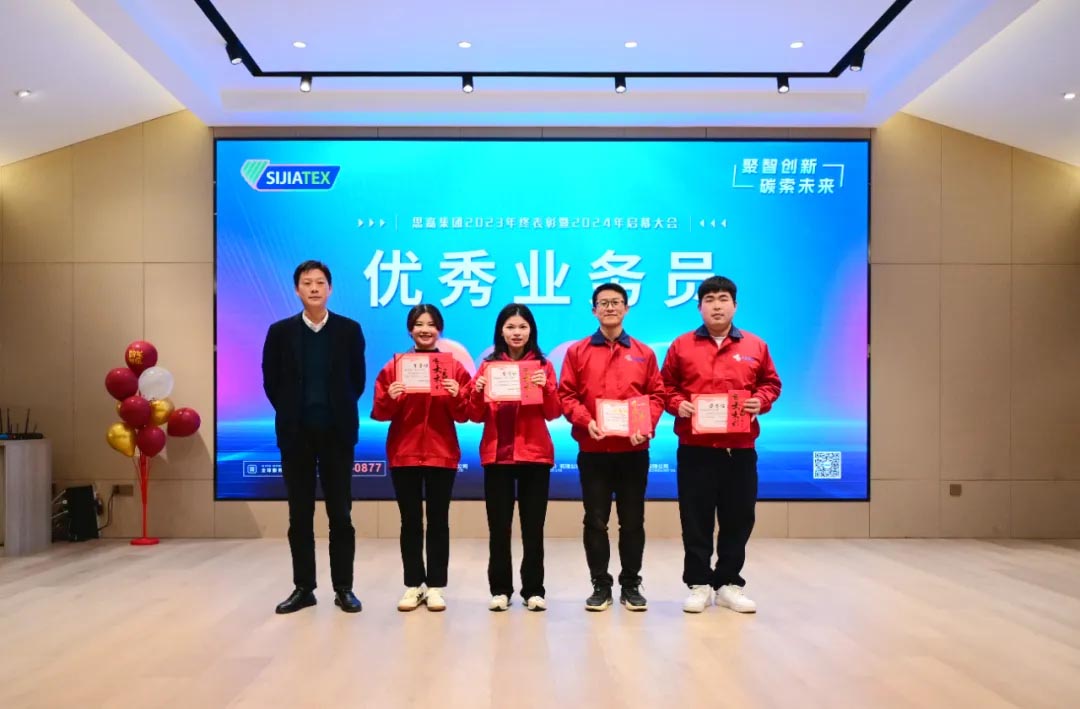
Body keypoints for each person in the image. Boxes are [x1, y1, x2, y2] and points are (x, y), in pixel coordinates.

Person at [660, 276, 781, 614]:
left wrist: (760, 401)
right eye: (710, 299)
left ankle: (728, 583)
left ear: (735, 305)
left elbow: (771, 383)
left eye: (723, 299)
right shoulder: (682, 345)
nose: (717, 305)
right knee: (695, 518)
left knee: (738, 518)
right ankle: (698, 584)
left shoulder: (755, 345)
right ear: (699, 307)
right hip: (695, 448)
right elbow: (664, 386)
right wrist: (678, 404)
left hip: (739, 449)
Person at [261, 260, 366, 614]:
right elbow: (271, 381)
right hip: (296, 436)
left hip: (337, 435)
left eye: (320, 282)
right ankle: (304, 588)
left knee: (341, 515)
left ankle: (344, 588)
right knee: (299, 515)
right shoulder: (280, 332)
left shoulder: (349, 330)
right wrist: (293, 411)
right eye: (307, 283)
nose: (314, 288)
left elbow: (356, 380)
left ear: (330, 288)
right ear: (297, 290)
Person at [558, 283, 665, 612]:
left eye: (616, 302)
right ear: (594, 310)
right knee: (595, 521)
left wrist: (646, 425)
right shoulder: (577, 352)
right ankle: (600, 585)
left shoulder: (644, 353)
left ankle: (631, 584)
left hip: (633, 452)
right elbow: (566, 395)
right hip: (594, 451)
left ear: (626, 308)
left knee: (632, 522)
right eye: (603, 303)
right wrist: (585, 420)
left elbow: (657, 396)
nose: (610, 308)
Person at [371, 304, 472, 612]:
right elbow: (379, 412)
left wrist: (456, 394)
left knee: (439, 521)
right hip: (404, 453)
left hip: (442, 453)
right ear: (410, 330)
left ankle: (437, 586)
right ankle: (413, 585)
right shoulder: (394, 367)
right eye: (418, 324)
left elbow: (465, 414)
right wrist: (391, 397)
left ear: (439, 329)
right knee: (410, 522)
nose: (425, 329)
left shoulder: (453, 368)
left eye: (431, 324)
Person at [465, 304, 562, 612]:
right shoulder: (488, 366)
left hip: (535, 455)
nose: (516, 333)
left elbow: (554, 412)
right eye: (510, 327)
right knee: (499, 529)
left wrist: (547, 389)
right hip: (497, 456)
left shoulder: (543, 366)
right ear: (501, 331)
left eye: (522, 327)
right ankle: (500, 590)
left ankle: (533, 590)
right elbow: (474, 415)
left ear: (531, 330)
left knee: (533, 529)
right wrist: (477, 390)